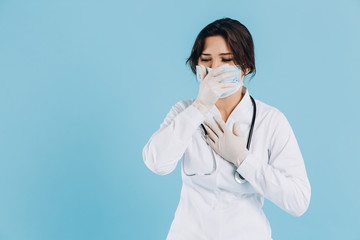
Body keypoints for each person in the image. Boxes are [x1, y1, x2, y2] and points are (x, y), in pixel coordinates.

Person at [142, 17, 311, 240]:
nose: (215, 68)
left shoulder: (270, 120)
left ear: (246, 66)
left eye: (226, 59)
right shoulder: (184, 111)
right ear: (197, 67)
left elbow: (298, 201)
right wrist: (199, 108)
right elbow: (156, 163)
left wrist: (243, 159)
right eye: (206, 60)